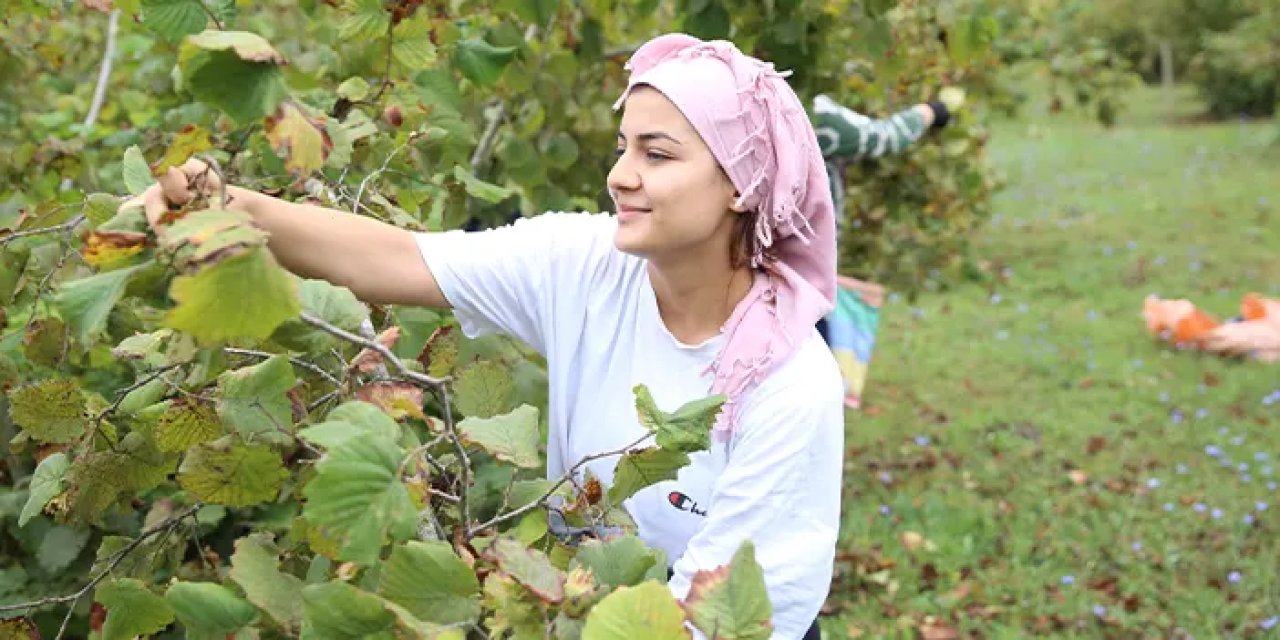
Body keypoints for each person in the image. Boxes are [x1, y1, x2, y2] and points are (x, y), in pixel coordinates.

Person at [133, 33, 843, 639]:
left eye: (657, 155)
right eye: (623, 146)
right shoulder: (586, 265)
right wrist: (226, 206)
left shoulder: (789, 385)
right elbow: (399, 258)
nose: (620, 175)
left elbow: (709, 620)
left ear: (741, 186)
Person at [808, 91, 960, 409]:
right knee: (809, 382)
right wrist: (931, 111)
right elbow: (880, 137)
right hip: (801, 275)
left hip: (767, 268)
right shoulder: (808, 112)